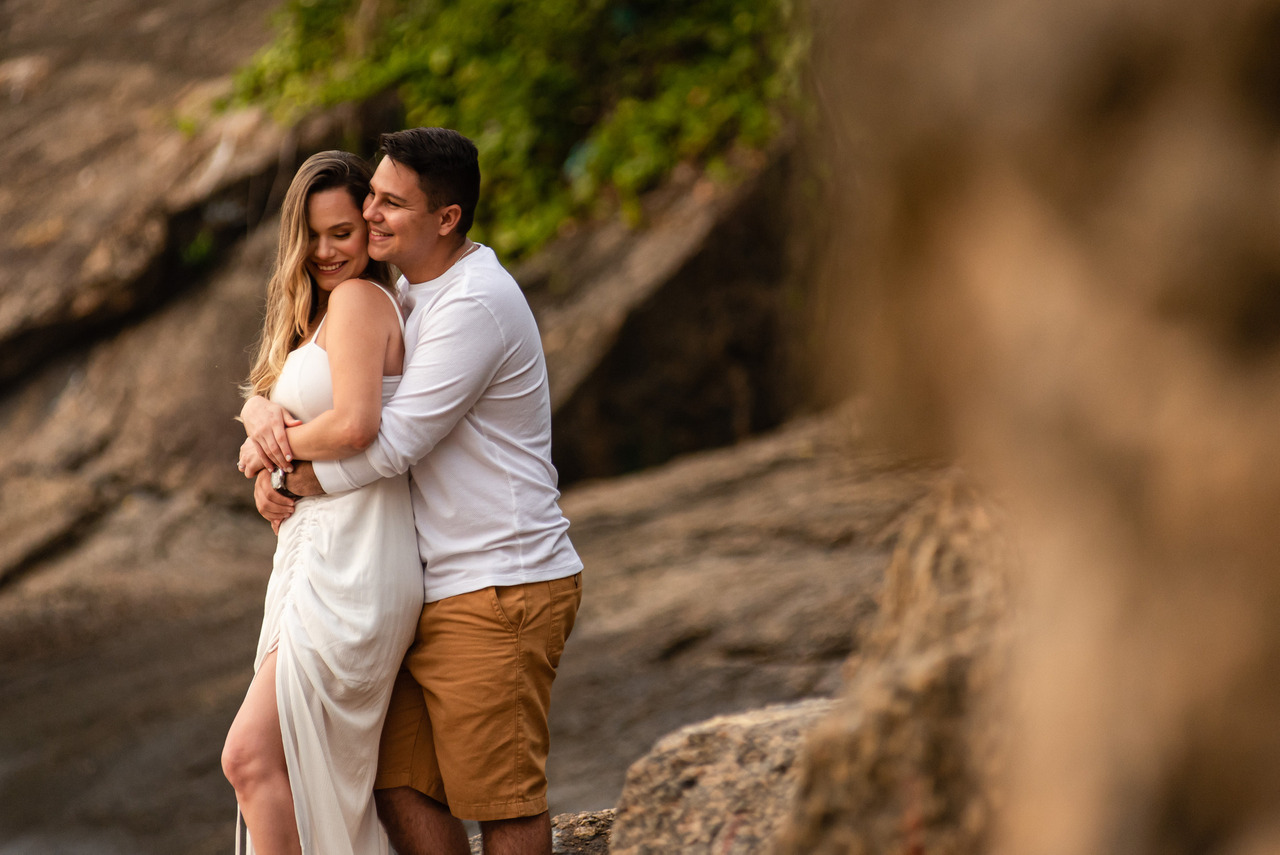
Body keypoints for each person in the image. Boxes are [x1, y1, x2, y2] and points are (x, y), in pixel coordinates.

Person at [244, 127, 583, 855]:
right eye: (372, 198)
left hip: (499, 580)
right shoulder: (406, 290)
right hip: (429, 577)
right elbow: (320, 390)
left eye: (389, 204)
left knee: (502, 798)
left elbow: (388, 439)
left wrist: (277, 467)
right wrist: (258, 421)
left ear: (447, 217)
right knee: (397, 781)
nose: (369, 218)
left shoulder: (475, 303)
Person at [223, 150, 423, 855]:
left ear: (369, 230)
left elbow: (357, 423)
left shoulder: (361, 300)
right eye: (312, 234)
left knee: (250, 756)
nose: (327, 249)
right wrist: (257, 423)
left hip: (357, 558)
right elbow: (271, 396)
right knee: (291, 767)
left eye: (343, 231)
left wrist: (268, 455)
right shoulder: (313, 311)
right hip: (312, 557)